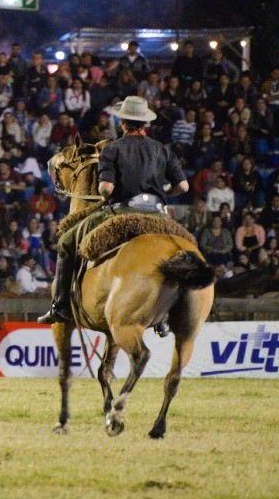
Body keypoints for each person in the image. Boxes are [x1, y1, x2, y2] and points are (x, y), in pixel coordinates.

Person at [38, 96, 189, 336]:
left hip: (123, 212)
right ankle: (164, 316)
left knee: (66, 243)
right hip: (158, 217)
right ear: (144, 124)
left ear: (122, 123)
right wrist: (163, 193)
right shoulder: (162, 150)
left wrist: (106, 193)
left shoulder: (113, 149)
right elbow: (184, 187)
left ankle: (61, 306)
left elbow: (105, 190)